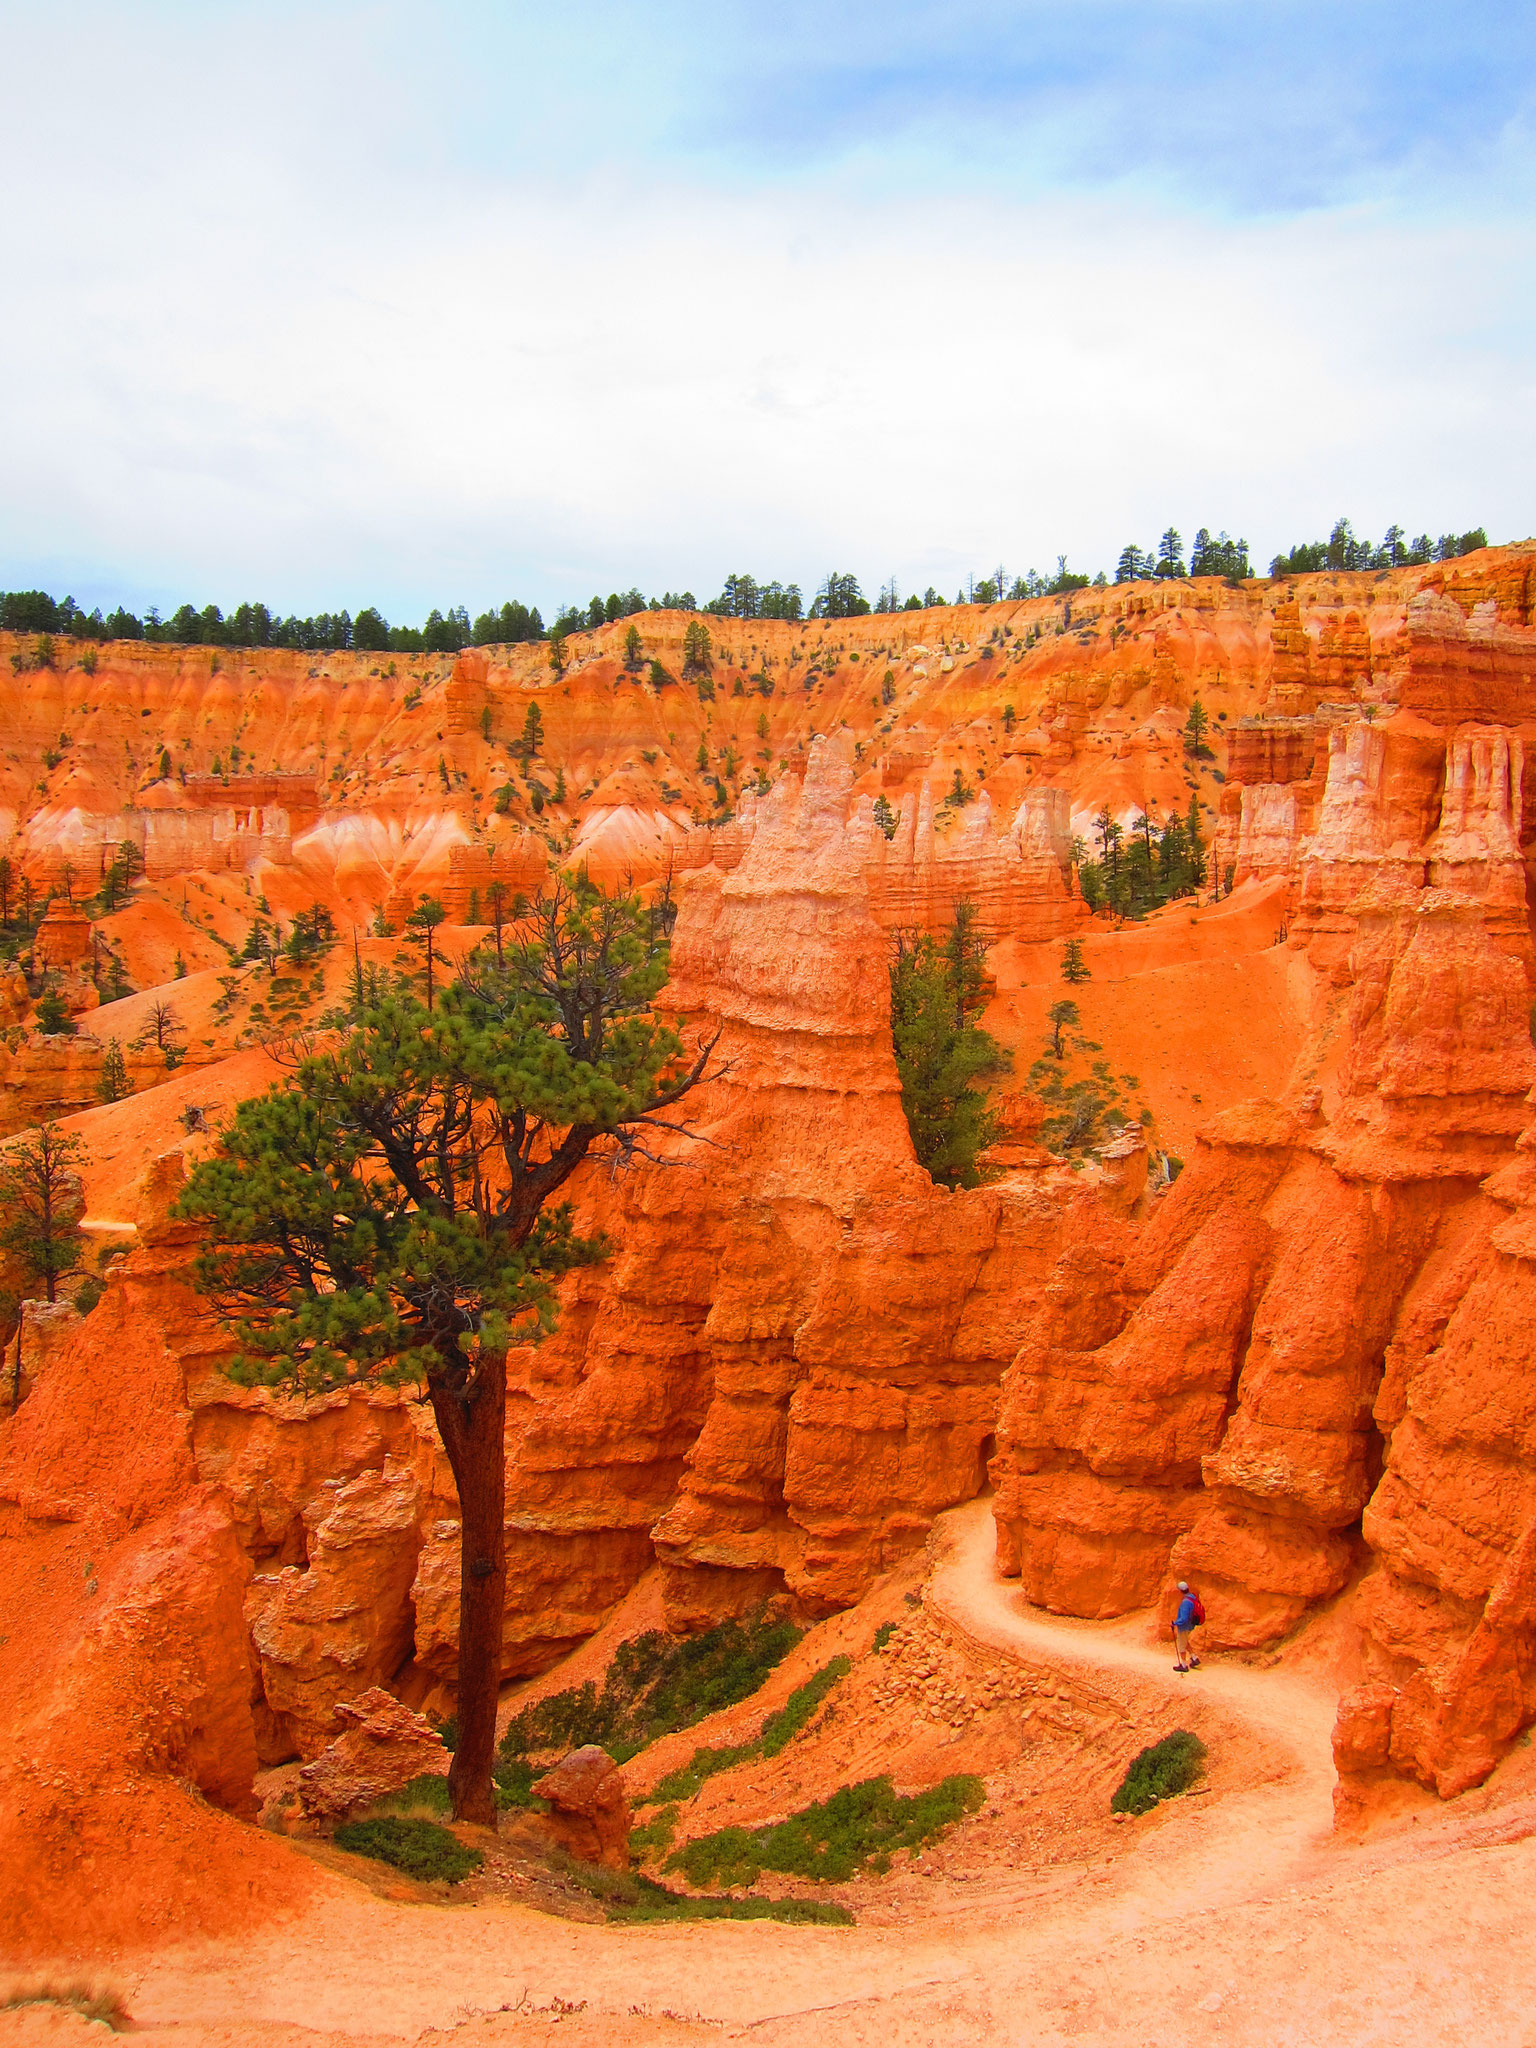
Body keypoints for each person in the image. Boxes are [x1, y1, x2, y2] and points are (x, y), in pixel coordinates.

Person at [1173, 1579, 1202, 1672]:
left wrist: (1175, 1623)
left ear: (1180, 1591)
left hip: (1184, 1626)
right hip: (1190, 1625)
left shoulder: (1186, 1602)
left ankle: (1184, 1665)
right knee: (1185, 1641)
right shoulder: (1192, 1597)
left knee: (1181, 1644)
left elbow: (1184, 1618)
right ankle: (1194, 1658)